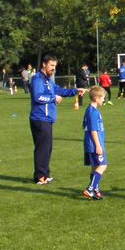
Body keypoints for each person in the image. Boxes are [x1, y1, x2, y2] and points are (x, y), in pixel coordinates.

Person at [28, 54, 81, 185]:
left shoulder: (48, 79)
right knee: (42, 148)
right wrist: (53, 98)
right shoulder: (37, 79)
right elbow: (37, 97)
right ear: (44, 64)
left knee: (47, 148)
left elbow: (58, 90)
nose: (53, 68)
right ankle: (39, 176)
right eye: (51, 65)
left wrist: (75, 91)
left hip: (47, 119)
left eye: (55, 66)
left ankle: (45, 175)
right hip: (40, 118)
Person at [81, 87, 108, 200]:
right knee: (102, 166)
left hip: (89, 144)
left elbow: (84, 125)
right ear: (96, 98)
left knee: (95, 167)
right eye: (103, 98)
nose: (104, 100)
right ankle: (90, 189)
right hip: (94, 144)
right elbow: (93, 130)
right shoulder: (93, 112)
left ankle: (95, 191)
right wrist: (98, 145)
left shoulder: (89, 110)